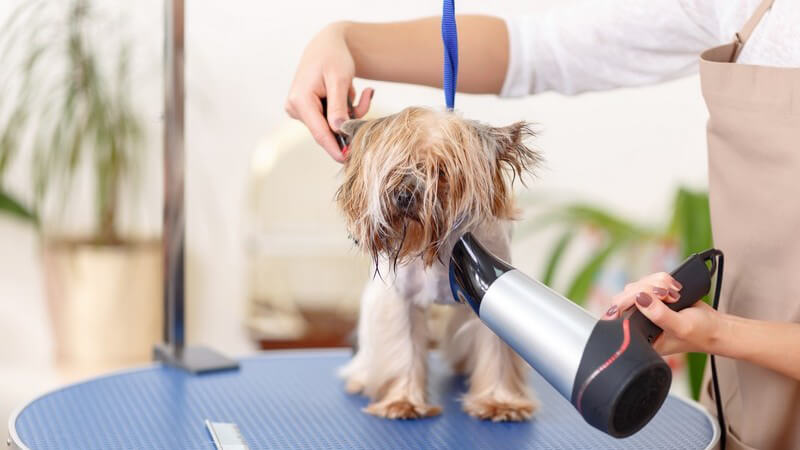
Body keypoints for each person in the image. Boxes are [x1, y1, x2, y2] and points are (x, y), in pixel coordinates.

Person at [285, 1, 800, 448]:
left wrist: (719, 333)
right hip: (750, 408)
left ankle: (495, 383)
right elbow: (539, 48)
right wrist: (346, 40)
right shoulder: (742, 5)